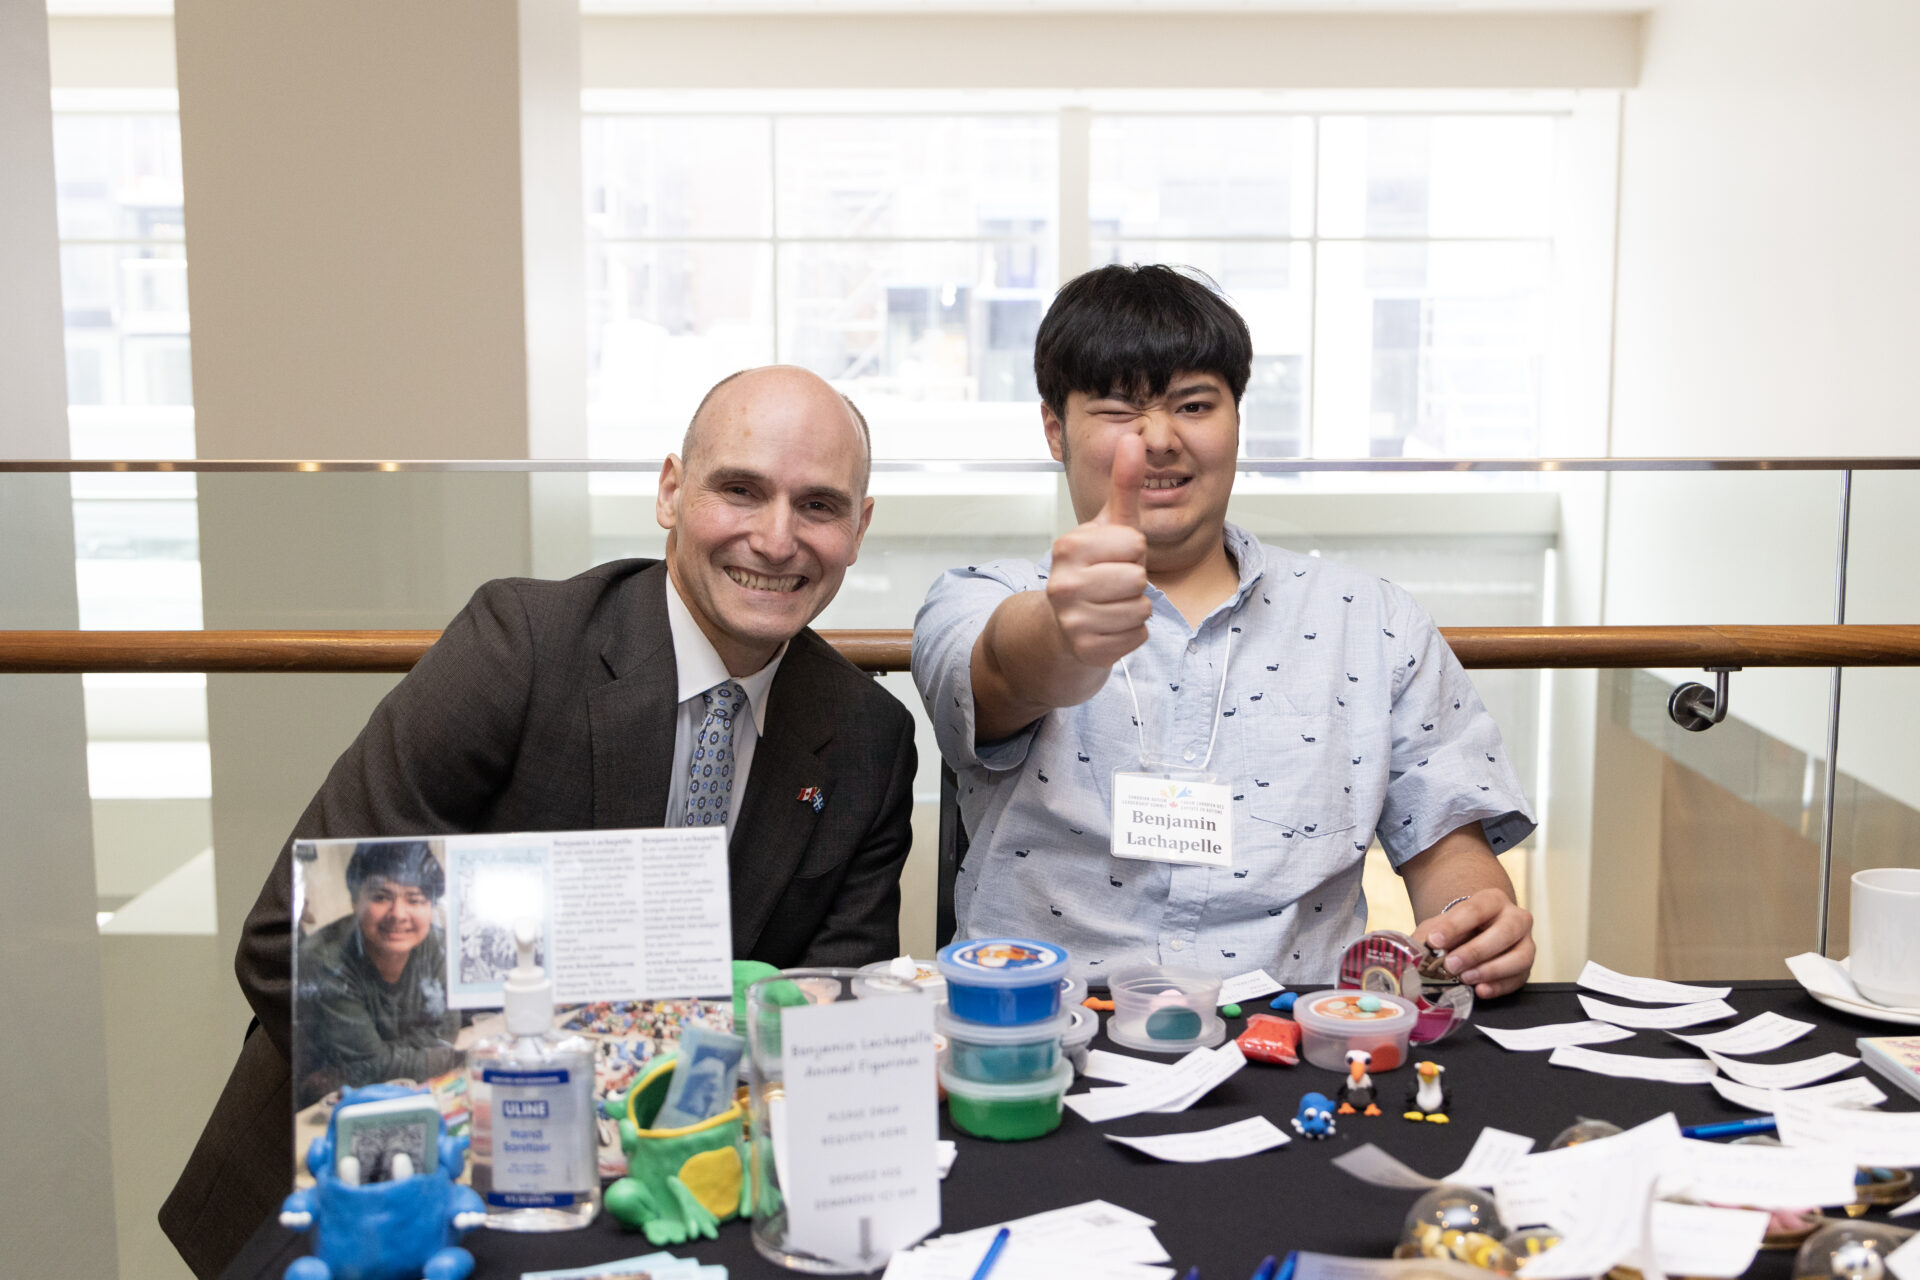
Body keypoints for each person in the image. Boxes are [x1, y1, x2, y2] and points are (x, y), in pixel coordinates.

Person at [163, 365, 917, 1279]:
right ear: (671, 491)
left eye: (820, 505)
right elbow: (293, 942)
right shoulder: (520, 648)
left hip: (678, 1206)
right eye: (740, 489)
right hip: (387, 1193)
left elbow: (824, 1026)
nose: (776, 537)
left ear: (860, 529)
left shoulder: (870, 739)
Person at [912, 264, 1537, 995]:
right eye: (1117, 410)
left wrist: (1472, 922)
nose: (1159, 439)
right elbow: (1007, 667)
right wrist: (1064, 629)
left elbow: (1446, 845)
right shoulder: (979, 599)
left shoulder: (1372, 622)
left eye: (1194, 405)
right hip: (1042, 1032)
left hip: (1294, 1040)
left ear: (1238, 418)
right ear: (1055, 429)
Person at [292, 840, 461, 1108]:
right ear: (355, 899)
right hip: (328, 1107)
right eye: (381, 897)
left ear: (431, 906)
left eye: (415, 899)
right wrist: (456, 1057)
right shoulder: (324, 959)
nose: (398, 914)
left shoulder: (438, 946)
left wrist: (384, 1057)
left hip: (410, 1094)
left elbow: (447, 1029)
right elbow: (370, 1066)